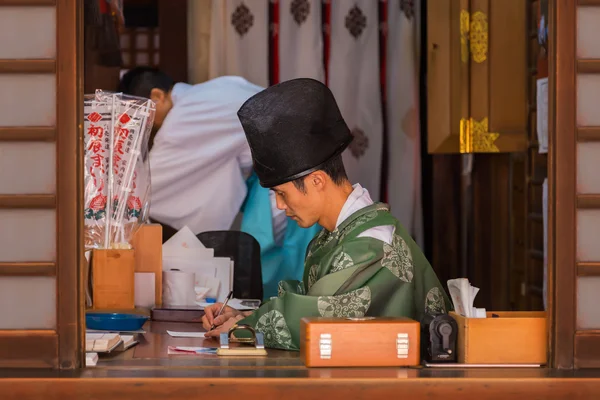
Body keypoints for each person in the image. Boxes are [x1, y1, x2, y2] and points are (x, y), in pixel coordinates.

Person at [201, 78, 452, 350]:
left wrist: (244, 327)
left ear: (317, 181)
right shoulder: (340, 234)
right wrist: (245, 317)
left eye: (282, 194)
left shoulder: (372, 244)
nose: (281, 206)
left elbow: (319, 318)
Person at [118, 67, 320, 298]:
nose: (151, 126)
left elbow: (150, 184)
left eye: (146, 115)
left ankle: (274, 315)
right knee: (298, 253)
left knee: (263, 256)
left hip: (287, 174)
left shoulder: (183, 119)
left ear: (157, 96)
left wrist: (114, 198)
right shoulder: (219, 86)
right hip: (298, 167)